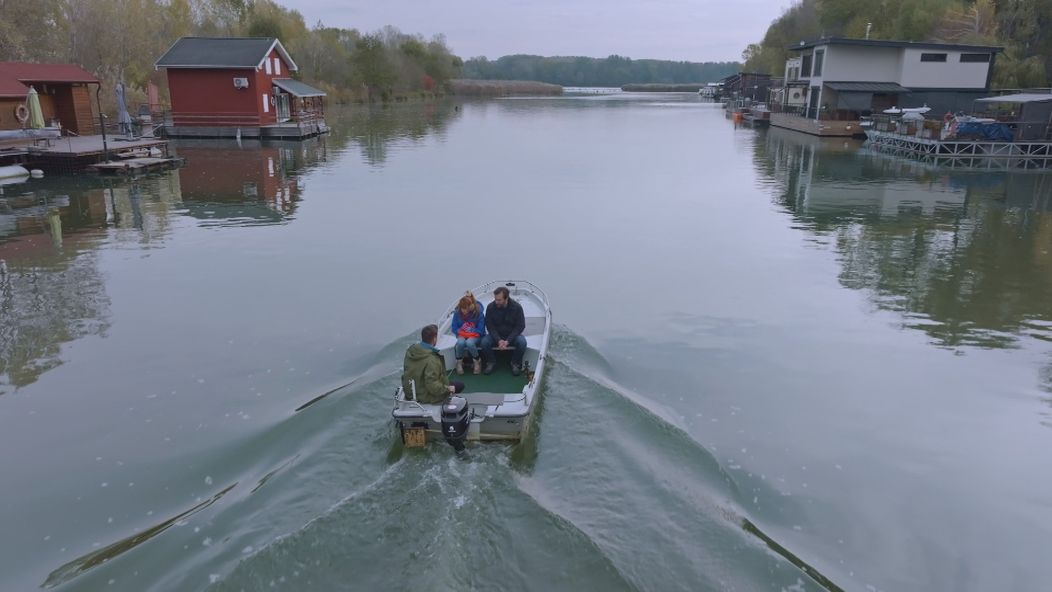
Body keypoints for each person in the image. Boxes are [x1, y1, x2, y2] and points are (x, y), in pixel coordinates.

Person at [401, 324, 463, 403]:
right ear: (434, 339)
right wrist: (448, 389)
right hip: (424, 395)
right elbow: (432, 386)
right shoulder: (432, 359)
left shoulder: (411, 350)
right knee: (459, 385)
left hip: (410, 391)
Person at [481, 286, 527, 375]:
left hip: (512, 335)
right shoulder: (490, 307)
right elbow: (489, 326)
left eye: (499, 300)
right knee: (484, 342)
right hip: (496, 335)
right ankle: (491, 362)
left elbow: (520, 326)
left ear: (506, 298)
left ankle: (515, 363)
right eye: (495, 299)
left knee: (522, 342)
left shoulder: (517, 307)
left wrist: (508, 341)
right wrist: (498, 340)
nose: (496, 302)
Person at [451, 292, 485, 375]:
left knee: (469, 342)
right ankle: (459, 362)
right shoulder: (457, 313)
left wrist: (471, 330)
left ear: (470, 307)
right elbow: (454, 327)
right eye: (461, 308)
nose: (463, 311)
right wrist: (460, 330)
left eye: (465, 308)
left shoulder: (478, 313)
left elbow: (481, 330)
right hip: (462, 334)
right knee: (460, 342)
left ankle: (477, 361)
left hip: (475, 335)